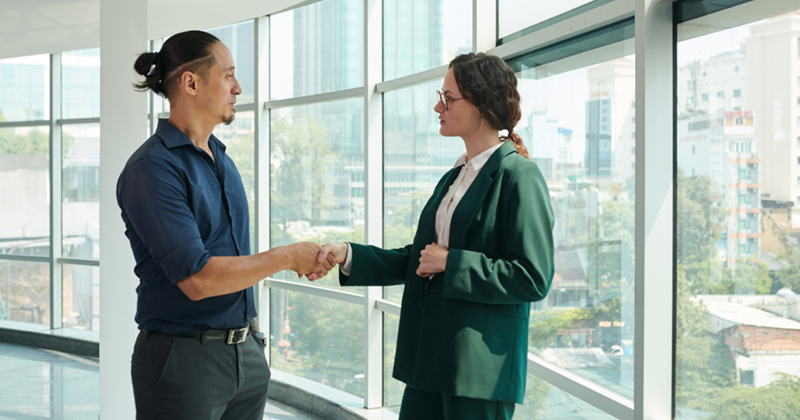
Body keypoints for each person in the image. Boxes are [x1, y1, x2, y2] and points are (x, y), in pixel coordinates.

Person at [316, 52, 555, 420]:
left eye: (448, 98)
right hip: (428, 359)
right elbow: (421, 258)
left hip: (477, 370)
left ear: (481, 103)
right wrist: (349, 254)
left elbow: (533, 277)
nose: (436, 106)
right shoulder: (455, 177)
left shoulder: (519, 176)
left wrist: (452, 262)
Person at [119, 30, 333, 420]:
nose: (238, 87)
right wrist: (286, 256)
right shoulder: (152, 169)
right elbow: (197, 279)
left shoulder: (221, 159)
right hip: (184, 362)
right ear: (191, 82)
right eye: (229, 74)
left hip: (245, 353)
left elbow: (229, 256)